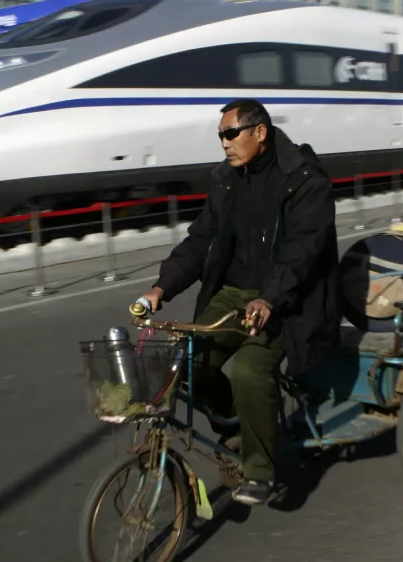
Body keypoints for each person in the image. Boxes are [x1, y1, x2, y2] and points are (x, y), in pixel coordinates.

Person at [138, 99, 341, 505]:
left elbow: (303, 250)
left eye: (231, 134)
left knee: (250, 369)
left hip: (289, 299)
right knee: (188, 365)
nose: (225, 144)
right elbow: (201, 240)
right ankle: (243, 423)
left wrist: (270, 298)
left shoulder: (304, 179)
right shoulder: (228, 180)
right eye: (220, 137)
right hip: (233, 294)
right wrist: (161, 289)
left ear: (259, 132)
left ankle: (261, 472)